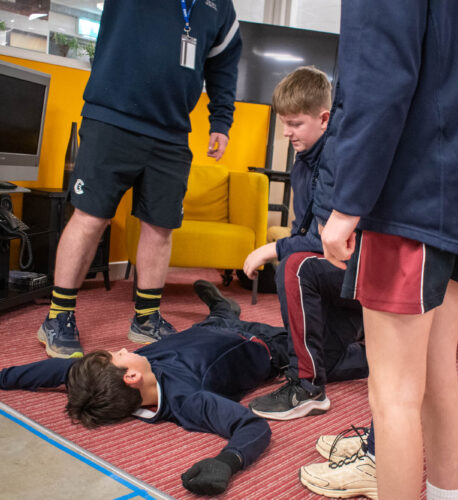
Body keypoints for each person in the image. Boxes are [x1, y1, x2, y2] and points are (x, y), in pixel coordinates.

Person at [310, 1, 458, 499]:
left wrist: (347, 202)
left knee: (394, 395)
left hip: (409, 195)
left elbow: (378, 75)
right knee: (437, 378)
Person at [37, 0, 242, 359]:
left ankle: (146, 318)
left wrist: (221, 122)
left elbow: (223, 64)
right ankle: (58, 316)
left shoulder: (220, 7)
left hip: (172, 131)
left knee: (161, 226)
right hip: (112, 118)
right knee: (90, 218)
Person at [3, 281, 287, 496]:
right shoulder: (188, 401)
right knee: (306, 335)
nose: (123, 348)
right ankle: (229, 312)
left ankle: (224, 309)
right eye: (118, 355)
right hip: (261, 342)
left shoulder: (107, 381)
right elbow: (252, 425)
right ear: (131, 377)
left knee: (220, 317)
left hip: (206, 329)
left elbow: (58, 369)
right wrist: (227, 461)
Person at [243, 66, 368, 421]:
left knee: (294, 267)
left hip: (356, 270)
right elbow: (306, 232)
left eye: (295, 124)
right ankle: (378, 357)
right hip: (335, 278)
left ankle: (307, 388)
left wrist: (271, 248)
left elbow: (325, 240)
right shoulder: (302, 165)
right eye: (284, 123)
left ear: (324, 119)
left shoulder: (337, 158)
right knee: (318, 358)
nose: (287, 132)